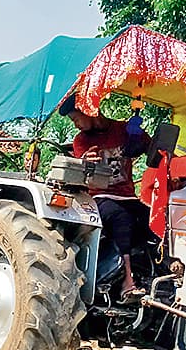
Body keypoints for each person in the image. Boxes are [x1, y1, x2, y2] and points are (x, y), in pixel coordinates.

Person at [59, 94, 150, 303]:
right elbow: (82, 165)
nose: (77, 125)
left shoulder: (123, 130)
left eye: (77, 119)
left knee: (151, 220)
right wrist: (85, 161)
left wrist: (140, 139)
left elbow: (150, 147)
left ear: (89, 110)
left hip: (127, 196)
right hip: (98, 197)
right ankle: (128, 281)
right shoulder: (81, 141)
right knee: (120, 218)